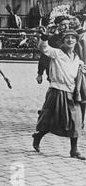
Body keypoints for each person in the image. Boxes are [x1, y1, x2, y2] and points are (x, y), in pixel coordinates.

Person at [32, 27, 85, 160]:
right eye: (67, 37)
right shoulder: (57, 53)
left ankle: (74, 150)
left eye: (73, 38)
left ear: (76, 41)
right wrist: (44, 36)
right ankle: (38, 136)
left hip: (72, 93)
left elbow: (78, 75)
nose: (70, 40)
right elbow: (44, 48)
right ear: (63, 40)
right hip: (56, 91)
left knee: (76, 120)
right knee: (49, 119)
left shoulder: (78, 59)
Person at [36, 15, 70, 84]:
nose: (67, 27)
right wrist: (40, 74)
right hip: (54, 70)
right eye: (63, 25)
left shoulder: (72, 39)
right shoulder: (52, 39)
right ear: (58, 26)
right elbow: (44, 56)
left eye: (68, 24)